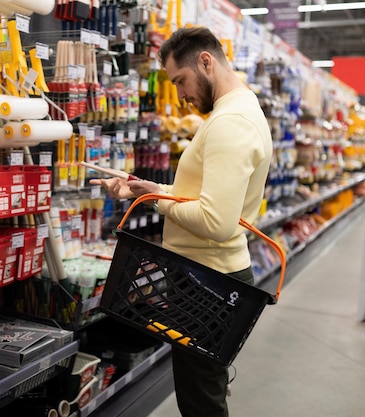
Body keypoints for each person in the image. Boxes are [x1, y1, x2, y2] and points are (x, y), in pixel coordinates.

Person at [91, 26, 273, 417]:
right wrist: (146, 189)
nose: (180, 94)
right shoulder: (234, 112)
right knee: (202, 392)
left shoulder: (231, 123)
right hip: (207, 278)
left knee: (201, 403)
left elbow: (216, 220)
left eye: (180, 80)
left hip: (209, 283)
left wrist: (157, 202)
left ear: (205, 62)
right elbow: (203, 196)